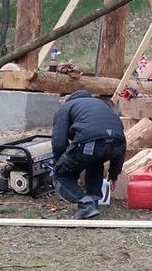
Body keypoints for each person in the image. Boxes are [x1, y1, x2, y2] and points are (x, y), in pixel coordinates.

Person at [51, 90, 127, 219]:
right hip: (117, 143)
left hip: (90, 142)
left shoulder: (65, 107)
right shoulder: (102, 105)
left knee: (59, 175)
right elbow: (122, 144)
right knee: (95, 162)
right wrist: (114, 174)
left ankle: (85, 203)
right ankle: (93, 203)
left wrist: (60, 163)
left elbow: (58, 142)